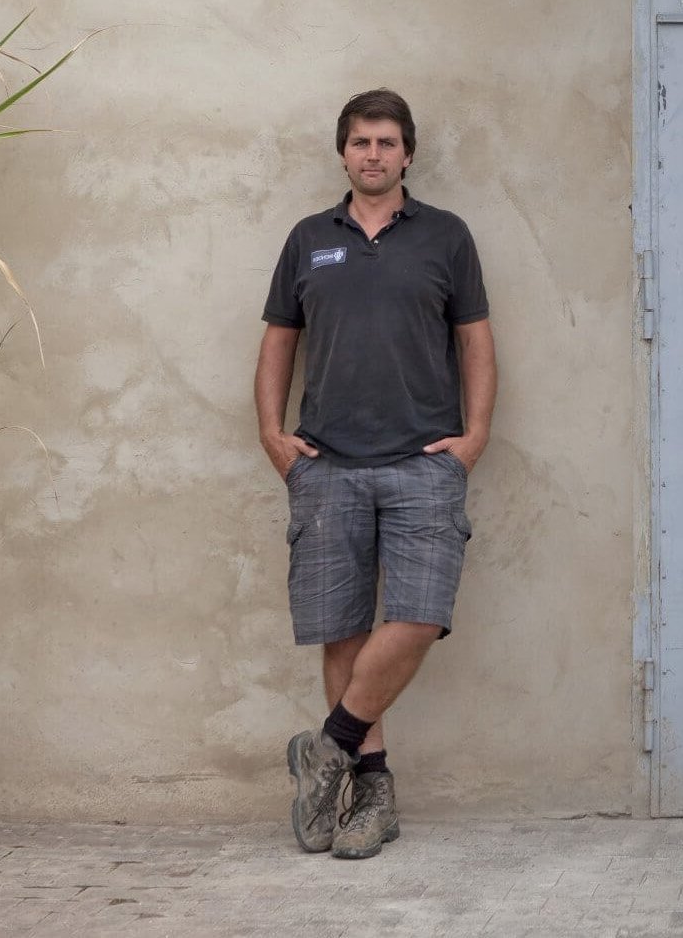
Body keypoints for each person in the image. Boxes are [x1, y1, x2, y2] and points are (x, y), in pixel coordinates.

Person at [254, 88, 496, 859]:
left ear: (408, 153)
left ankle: (325, 748)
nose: (373, 153)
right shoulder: (307, 239)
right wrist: (272, 435)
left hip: (424, 460)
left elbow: (476, 341)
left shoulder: (446, 237)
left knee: (419, 616)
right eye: (361, 141)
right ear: (343, 152)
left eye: (387, 141)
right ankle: (372, 792)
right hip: (326, 463)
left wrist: (473, 438)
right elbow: (278, 342)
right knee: (343, 628)